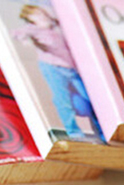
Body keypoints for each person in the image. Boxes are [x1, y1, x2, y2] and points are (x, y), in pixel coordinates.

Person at [13, 4, 99, 138]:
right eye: (37, 15)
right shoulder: (34, 30)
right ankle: (74, 132)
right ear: (30, 19)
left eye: (42, 13)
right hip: (53, 68)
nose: (42, 16)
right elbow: (18, 34)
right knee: (63, 100)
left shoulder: (58, 27)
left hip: (71, 68)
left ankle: (101, 131)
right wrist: (26, 41)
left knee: (88, 101)